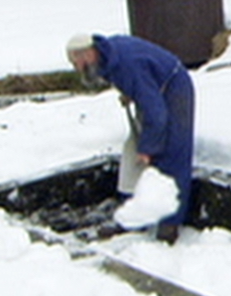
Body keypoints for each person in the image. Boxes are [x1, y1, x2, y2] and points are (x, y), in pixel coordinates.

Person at [66, 32, 195, 243]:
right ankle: (135, 216)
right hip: (154, 89)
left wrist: (147, 148)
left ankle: (170, 225)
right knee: (133, 152)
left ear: (87, 55)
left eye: (76, 63)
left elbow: (156, 113)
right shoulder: (106, 56)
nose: (77, 69)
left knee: (173, 152)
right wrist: (131, 91)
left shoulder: (127, 65)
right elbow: (140, 83)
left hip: (174, 88)